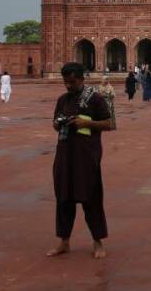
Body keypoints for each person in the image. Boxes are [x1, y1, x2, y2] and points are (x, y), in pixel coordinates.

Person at [48, 62, 113, 260]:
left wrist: (87, 123)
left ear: (82, 79)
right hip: (65, 156)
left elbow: (109, 123)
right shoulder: (63, 100)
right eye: (66, 82)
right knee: (63, 199)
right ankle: (64, 241)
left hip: (86, 157)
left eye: (73, 82)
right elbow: (54, 122)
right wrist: (59, 125)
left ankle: (98, 241)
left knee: (91, 199)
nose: (69, 86)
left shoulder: (95, 99)